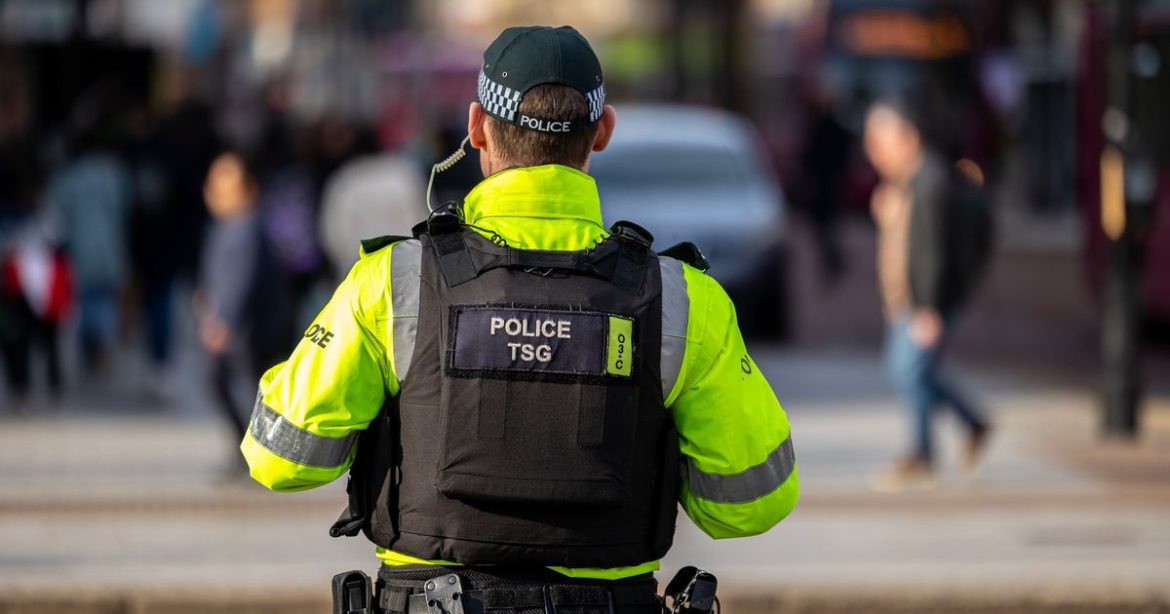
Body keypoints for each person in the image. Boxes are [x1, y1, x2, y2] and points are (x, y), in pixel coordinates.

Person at [243, 26, 799, 613]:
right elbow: (751, 503)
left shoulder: (392, 282)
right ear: (603, 130)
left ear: (477, 127)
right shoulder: (682, 299)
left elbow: (280, 460)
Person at [864, 99, 992, 490]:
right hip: (908, 301)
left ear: (907, 138)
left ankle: (924, 451)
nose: (875, 155)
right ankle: (970, 425)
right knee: (912, 372)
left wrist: (929, 308)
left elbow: (931, 249)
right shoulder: (908, 182)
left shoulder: (929, 181)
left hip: (925, 302)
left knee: (909, 371)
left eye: (880, 144)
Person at [197, 150, 292, 465]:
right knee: (232, 383)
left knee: (244, 386)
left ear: (249, 188)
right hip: (241, 328)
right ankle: (252, 449)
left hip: (250, 330)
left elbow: (241, 279)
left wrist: (224, 320)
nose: (215, 192)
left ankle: (258, 451)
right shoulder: (228, 226)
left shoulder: (246, 227)